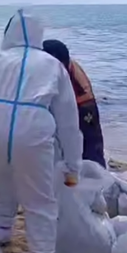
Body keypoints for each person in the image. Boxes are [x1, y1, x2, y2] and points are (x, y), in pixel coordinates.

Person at [0, 10, 82, 253]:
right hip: (33, 131)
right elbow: (69, 120)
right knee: (40, 203)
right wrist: (72, 165)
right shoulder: (52, 65)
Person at [42, 39, 106, 168]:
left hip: (82, 106)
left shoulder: (67, 73)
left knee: (90, 145)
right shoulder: (60, 65)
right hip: (77, 104)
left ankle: (95, 173)